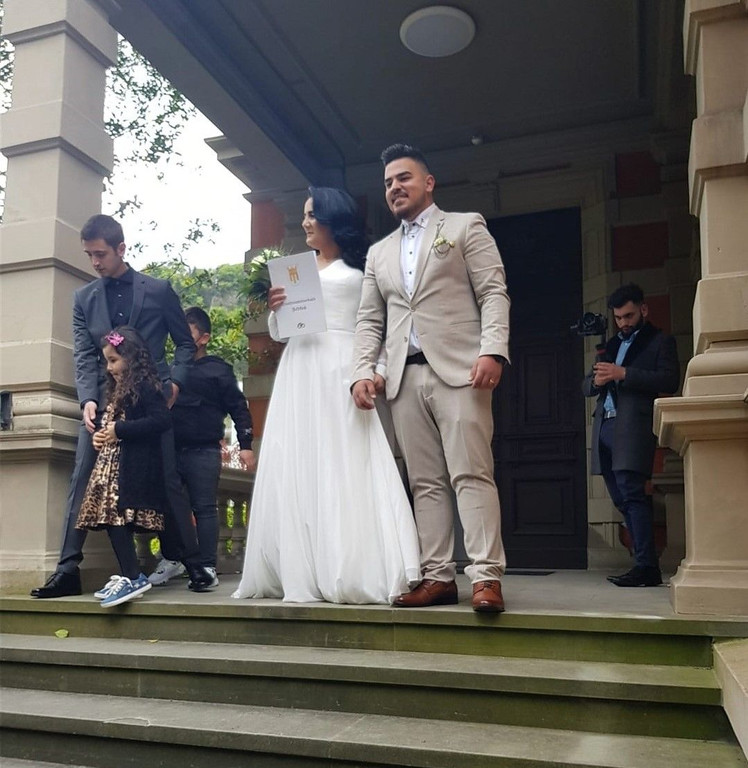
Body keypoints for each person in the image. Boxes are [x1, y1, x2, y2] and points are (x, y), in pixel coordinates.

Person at [232, 187, 421, 604]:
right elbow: (282, 333)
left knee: (346, 460)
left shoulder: (363, 268)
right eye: (303, 214)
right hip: (299, 370)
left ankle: (351, 566)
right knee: (300, 461)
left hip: (343, 367)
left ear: (333, 218)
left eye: (312, 214)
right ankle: (302, 568)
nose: (305, 222)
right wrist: (277, 310)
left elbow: (383, 325)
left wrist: (377, 370)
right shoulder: (296, 271)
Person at [351, 143, 510, 613]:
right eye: (387, 183)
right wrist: (362, 370)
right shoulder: (378, 253)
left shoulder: (464, 226)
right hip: (403, 378)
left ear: (428, 182)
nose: (394, 187)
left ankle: (486, 576)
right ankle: (438, 576)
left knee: (471, 473)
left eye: (403, 178)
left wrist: (493, 350)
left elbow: (494, 292)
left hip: (462, 370)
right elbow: (369, 320)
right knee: (425, 483)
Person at [30, 214, 213, 598]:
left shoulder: (158, 290)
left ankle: (195, 564)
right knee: (83, 478)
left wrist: (175, 382)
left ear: (121, 248)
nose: (94, 262)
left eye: (101, 254)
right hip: (103, 405)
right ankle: (67, 571)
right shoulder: (83, 299)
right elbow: (84, 354)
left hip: (150, 401)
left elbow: (184, 343)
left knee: (167, 480)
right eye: (89, 255)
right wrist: (87, 398)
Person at [583, 283, 679, 587]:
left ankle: (646, 566)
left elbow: (670, 380)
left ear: (643, 310)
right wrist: (597, 381)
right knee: (621, 498)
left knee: (633, 495)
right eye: (618, 318)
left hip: (634, 427)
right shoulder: (611, 345)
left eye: (629, 316)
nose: (623, 322)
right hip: (604, 427)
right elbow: (585, 386)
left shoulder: (660, 341)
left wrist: (623, 373)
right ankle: (643, 562)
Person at [152, 306, 256, 588]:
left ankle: (206, 566)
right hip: (169, 449)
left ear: (204, 338)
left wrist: (245, 445)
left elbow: (239, 408)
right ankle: (171, 558)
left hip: (204, 450)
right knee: (167, 505)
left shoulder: (218, 370)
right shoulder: (168, 370)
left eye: (187, 333)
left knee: (205, 507)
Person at [76, 327, 170, 607]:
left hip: (130, 468)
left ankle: (133, 576)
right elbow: (113, 425)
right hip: (112, 467)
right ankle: (129, 574)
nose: (109, 367)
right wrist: (101, 436)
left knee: (116, 518)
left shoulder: (145, 387)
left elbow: (161, 421)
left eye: (114, 360)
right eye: (107, 361)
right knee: (110, 519)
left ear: (131, 357)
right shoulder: (118, 390)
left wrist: (119, 430)